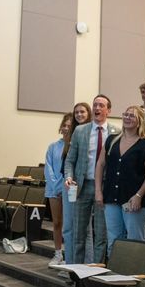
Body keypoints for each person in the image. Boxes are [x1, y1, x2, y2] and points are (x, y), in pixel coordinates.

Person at [94, 106, 145, 255]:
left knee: (135, 241)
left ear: (139, 121)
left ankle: (135, 274)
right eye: (125, 114)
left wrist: (139, 196)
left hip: (133, 200)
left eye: (132, 116)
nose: (127, 118)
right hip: (111, 197)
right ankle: (114, 274)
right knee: (114, 240)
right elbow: (100, 164)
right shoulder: (111, 140)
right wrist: (98, 191)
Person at [64, 95, 118, 264]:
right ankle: (77, 273)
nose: (97, 108)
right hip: (83, 186)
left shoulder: (117, 132)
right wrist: (69, 176)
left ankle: (96, 273)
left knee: (101, 235)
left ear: (108, 110)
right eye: (95, 105)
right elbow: (70, 160)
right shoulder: (81, 131)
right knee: (79, 234)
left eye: (101, 105)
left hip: (104, 188)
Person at [61, 102, 91, 265]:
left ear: (89, 113)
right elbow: (68, 161)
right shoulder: (72, 134)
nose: (79, 115)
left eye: (82, 112)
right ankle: (70, 264)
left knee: (84, 230)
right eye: (76, 112)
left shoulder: (91, 132)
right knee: (68, 228)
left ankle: (86, 264)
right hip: (69, 184)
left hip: (83, 186)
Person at [44, 113, 71, 266]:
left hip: (68, 189)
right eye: (64, 125)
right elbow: (49, 169)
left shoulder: (74, 145)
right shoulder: (53, 146)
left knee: (68, 224)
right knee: (57, 223)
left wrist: (63, 186)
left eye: (69, 126)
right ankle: (57, 253)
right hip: (54, 189)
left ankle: (69, 254)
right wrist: (55, 186)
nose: (66, 128)